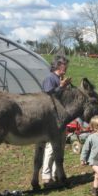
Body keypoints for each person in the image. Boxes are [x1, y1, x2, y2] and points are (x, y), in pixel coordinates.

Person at [41, 55, 72, 187]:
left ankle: (56, 174)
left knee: (60, 147)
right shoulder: (50, 78)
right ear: (59, 65)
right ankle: (46, 176)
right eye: (65, 65)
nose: (67, 67)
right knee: (51, 148)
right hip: (52, 119)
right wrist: (61, 86)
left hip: (61, 119)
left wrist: (66, 86)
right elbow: (48, 97)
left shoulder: (60, 79)